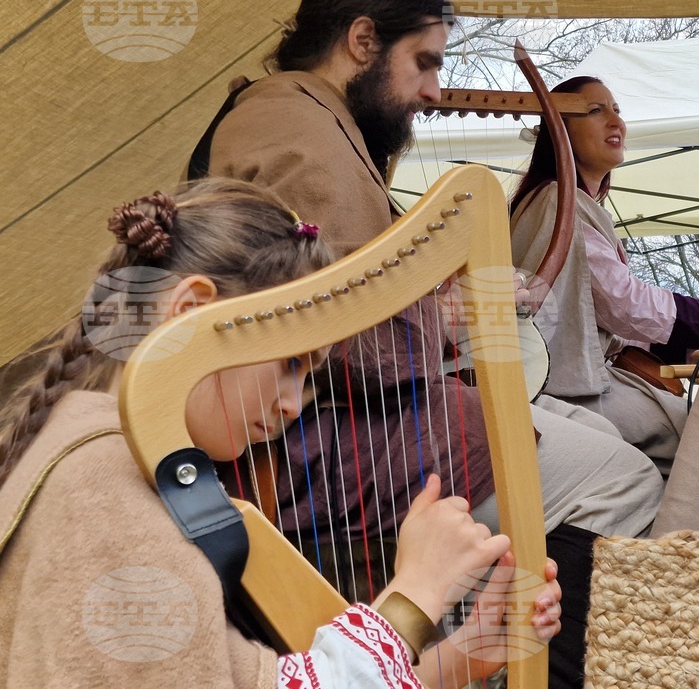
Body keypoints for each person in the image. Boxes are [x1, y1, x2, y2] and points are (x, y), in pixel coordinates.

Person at [195, 0, 664, 686]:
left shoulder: (298, 115)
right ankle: (529, 663)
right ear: (361, 41)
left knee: (593, 430)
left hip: (327, 424)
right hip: (308, 448)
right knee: (625, 477)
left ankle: (481, 629)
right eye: (422, 62)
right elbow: (357, 338)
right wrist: (449, 315)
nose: (432, 91)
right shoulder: (300, 134)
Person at [0, 181, 561, 688]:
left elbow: (250, 677)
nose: (293, 404)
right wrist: (415, 593)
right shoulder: (107, 501)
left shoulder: (100, 457)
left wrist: (463, 656)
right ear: (190, 315)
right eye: (289, 363)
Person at [509, 77, 699, 479]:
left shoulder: (565, 201)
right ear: (558, 131)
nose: (616, 122)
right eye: (596, 111)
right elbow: (623, 303)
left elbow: (605, 318)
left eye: (617, 110)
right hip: (566, 390)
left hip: (583, 380)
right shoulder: (558, 202)